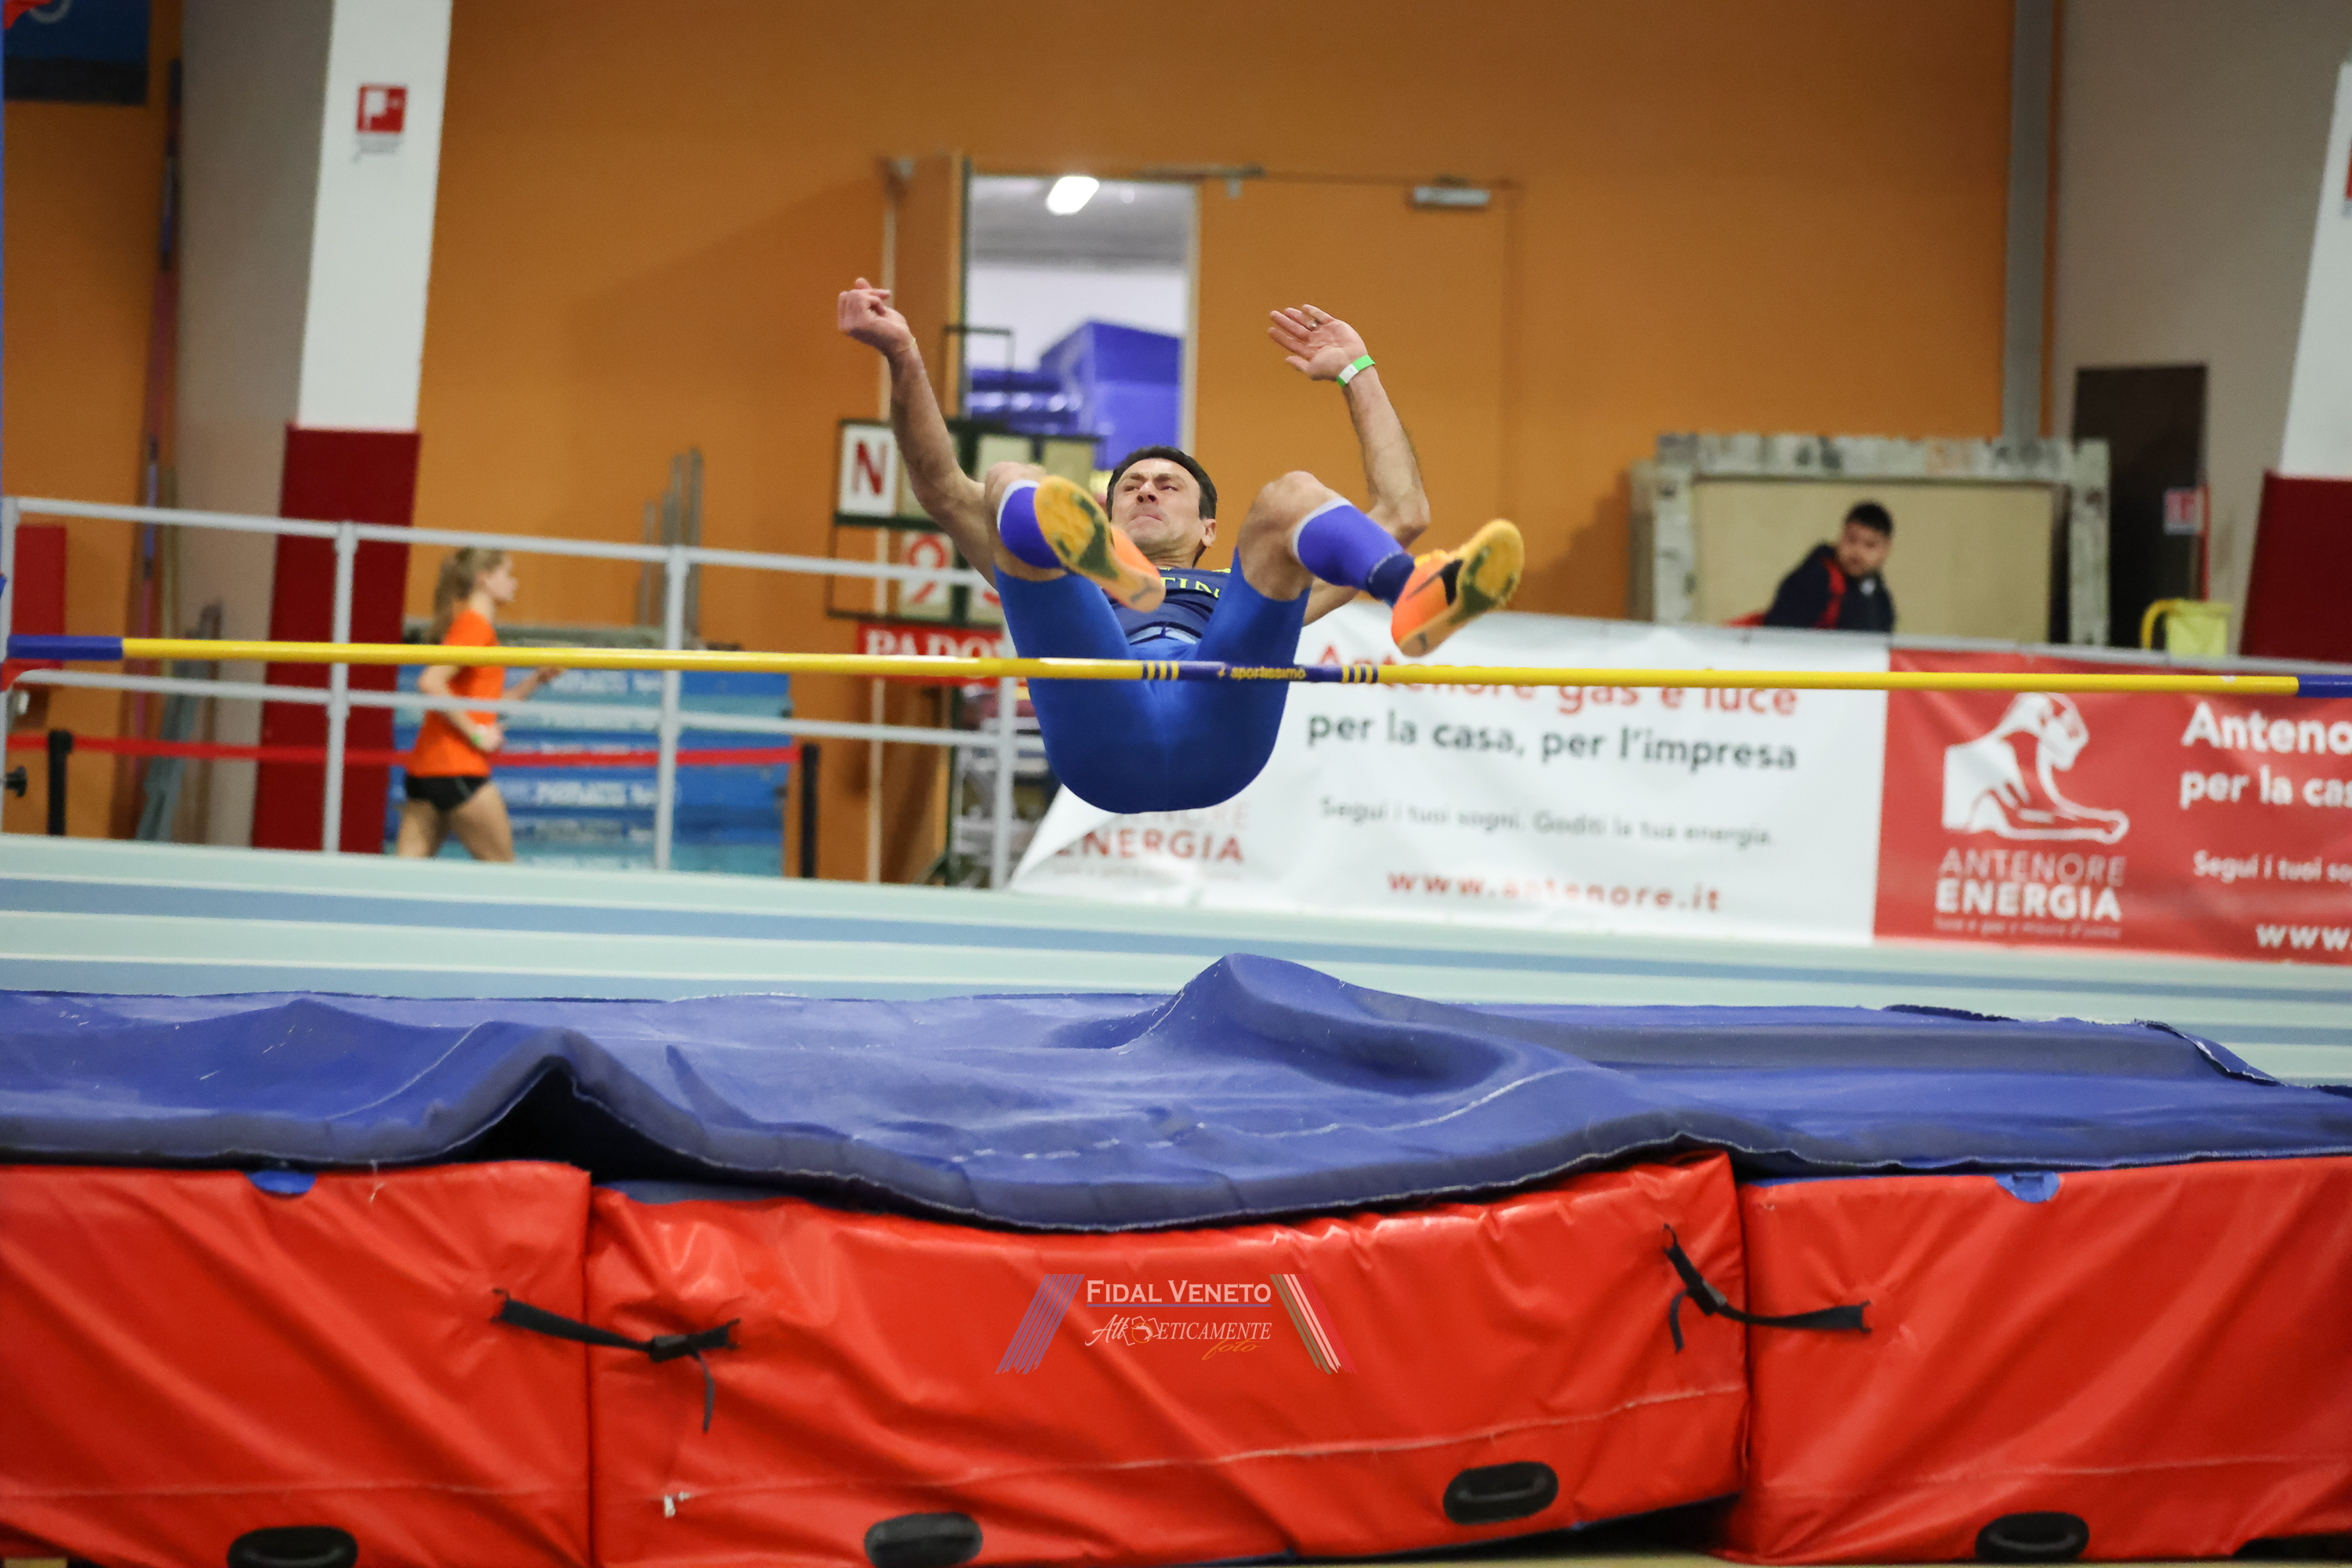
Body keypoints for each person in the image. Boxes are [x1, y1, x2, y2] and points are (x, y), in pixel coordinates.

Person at [837, 280, 1523, 814]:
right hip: (1103, 727)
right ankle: (1087, 550)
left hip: (1216, 725)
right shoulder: (1070, 589)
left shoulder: (1241, 590)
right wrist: (903, 354)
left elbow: (1403, 512)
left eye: (1169, 486)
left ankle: (1412, 589)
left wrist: (1358, 372)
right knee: (1008, 481)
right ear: (1105, 515)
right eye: (1130, 487)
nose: (1146, 491)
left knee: (1292, 495)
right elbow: (940, 490)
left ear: (1207, 530)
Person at [394, 548, 561, 861]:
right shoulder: (475, 627)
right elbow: (430, 682)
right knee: (503, 874)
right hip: (457, 768)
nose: (514, 583)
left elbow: (488, 703)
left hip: (426, 771)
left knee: (404, 879)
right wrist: (476, 733)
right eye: (507, 574)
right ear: (484, 579)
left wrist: (536, 680)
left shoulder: (471, 627)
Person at [1761, 501, 1895, 633]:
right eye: (1851, 540)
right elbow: (1781, 634)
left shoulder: (1879, 595)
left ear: (1886, 550)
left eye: (1870, 545)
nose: (1857, 552)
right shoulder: (1813, 578)